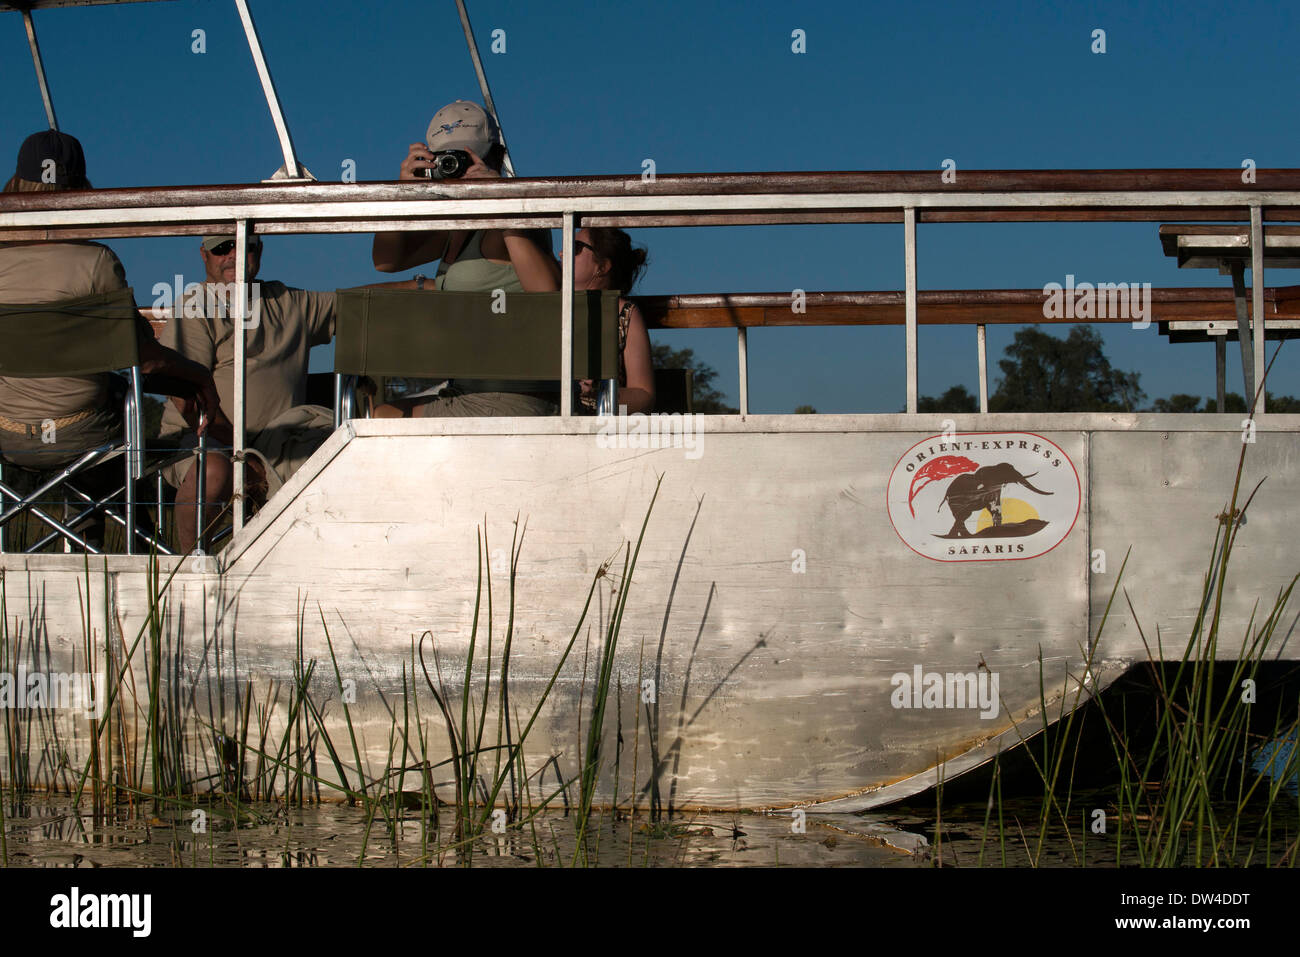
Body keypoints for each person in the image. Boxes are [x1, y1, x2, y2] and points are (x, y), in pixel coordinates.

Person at [0, 130, 227, 548]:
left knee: (109, 397)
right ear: (82, 191)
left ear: (16, 185)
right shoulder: (96, 262)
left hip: (7, 435)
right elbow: (144, 360)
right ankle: (138, 546)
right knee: (120, 402)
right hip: (81, 434)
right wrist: (197, 376)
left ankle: (73, 539)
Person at [157, 234, 336, 551]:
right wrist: (244, 455)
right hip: (204, 438)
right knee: (213, 469)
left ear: (259, 250)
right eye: (222, 247)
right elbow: (187, 398)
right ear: (204, 255)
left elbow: (361, 306)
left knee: (337, 457)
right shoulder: (195, 306)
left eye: (245, 245)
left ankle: (310, 573)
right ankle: (190, 572)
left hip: (281, 440)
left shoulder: (290, 301)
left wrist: (426, 286)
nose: (234, 254)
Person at [375, 226, 655, 417]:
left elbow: (644, 392)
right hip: (524, 403)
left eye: (576, 247)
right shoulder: (536, 297)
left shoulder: (623, 312)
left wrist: (596, 401)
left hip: (580, 418)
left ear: (602, 266)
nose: (561, 252)